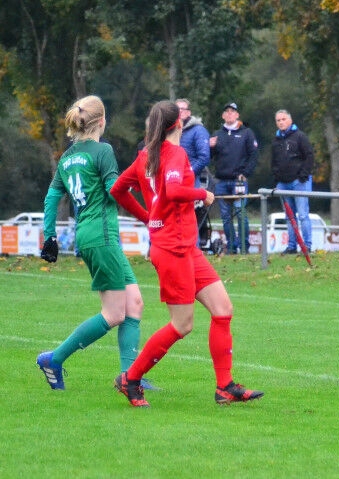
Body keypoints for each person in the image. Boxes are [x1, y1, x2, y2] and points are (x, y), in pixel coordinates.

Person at [110, 100, 263, 407]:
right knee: (182, 325)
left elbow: (117, 191)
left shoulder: (146, 155)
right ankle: (131, 379)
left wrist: (149, 218)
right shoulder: (175, 154)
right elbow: (173, 192)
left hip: (185, 247)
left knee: (223, 309)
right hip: (172, 249)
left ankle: (225, 387)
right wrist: (202, 194)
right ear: (178, 123)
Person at [36, 95, 146, 391]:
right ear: (102, 121)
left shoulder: (67, 157)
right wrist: (146, 209)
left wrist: (50, 236)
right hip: (102, 236)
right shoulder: (103, 151)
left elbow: (52, 197)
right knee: (114, 314)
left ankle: (129, 377)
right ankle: (53, 359)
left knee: (134, 303)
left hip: (89, 235)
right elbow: (114, 191)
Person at [210, 102, 259, 254]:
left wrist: (246, 173)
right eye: (227, 111)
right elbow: (209, 157)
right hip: (221, 181)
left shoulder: (247, 133)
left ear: (237, 115)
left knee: (240, 213)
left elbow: (254, 155)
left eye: (233, 111)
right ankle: (231, 247)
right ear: (223, 115)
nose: (230, 113)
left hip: (239, 181)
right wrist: (210, 147)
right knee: (226, 216)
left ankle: (244, 247)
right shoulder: (217, 134)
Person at [271, 109, 314, 254]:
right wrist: (277, 178)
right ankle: (291, 246)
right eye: (278, 120)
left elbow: (309, 156)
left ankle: (307, 245)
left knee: (303, 215)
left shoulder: (300, 136)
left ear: (290, 120)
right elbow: (274, 161)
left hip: (299, 182)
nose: (281, 122)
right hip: (283, 183)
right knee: (289, 216)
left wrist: (303, 175)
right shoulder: (276, 140)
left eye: (283, 119)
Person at [176, 99, 210, 248]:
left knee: (189, 216)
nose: (180, 112)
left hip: (190, 179)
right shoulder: (171, 130)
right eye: (177, 109)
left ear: (189, 112)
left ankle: (193, 250)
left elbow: (204, 157)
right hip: (173, 179)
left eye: (183, 109)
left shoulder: (198, 130)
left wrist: (188, 173)